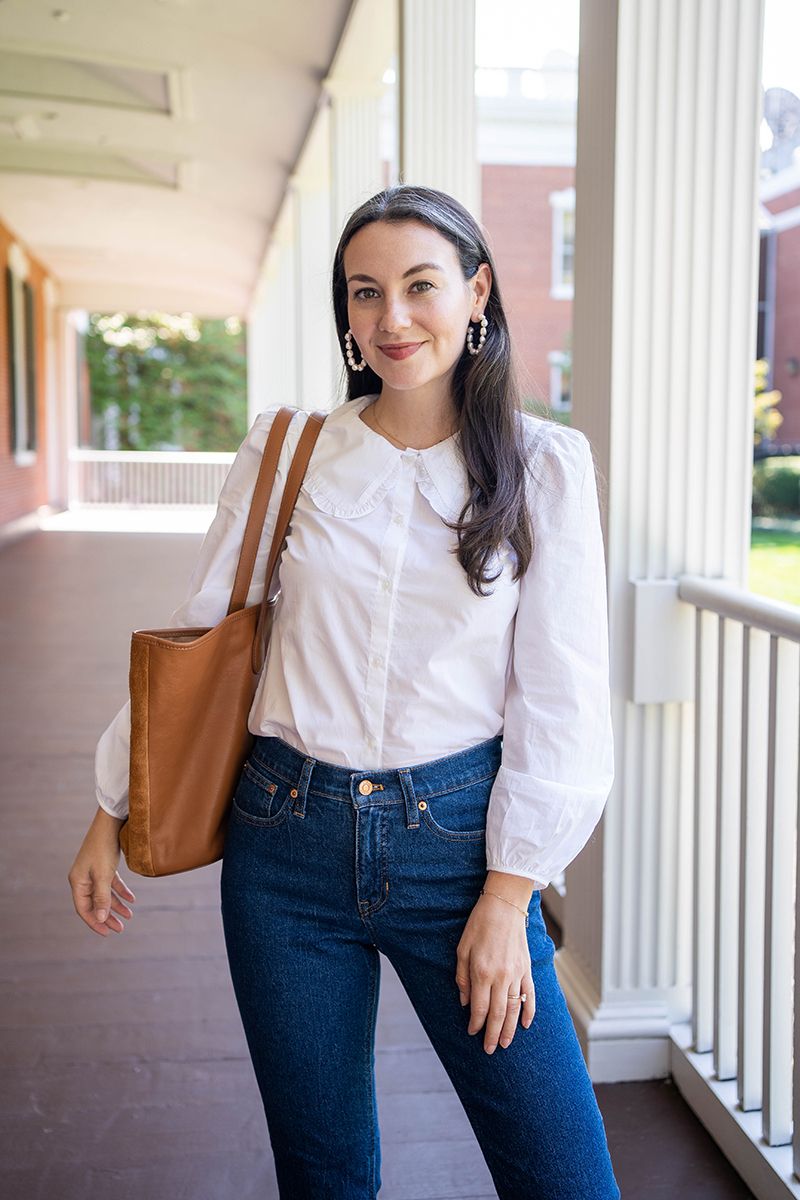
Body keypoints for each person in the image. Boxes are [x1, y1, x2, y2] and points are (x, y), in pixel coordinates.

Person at [69, 185, 619, 1200]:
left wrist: (509, 894)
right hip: (283, 843)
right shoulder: (292, 451)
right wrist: (112, 805)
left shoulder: (542, 466)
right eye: (365, 293)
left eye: (419, 286)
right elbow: (207, 639)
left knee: (560, 1174)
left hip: (457, 852)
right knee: (322, 1171)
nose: (391, 318)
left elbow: (564, 699)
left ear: (477, 291)